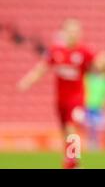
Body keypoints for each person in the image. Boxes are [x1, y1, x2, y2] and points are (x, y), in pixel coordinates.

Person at [18, 18, 96, 169]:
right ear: (64, 33)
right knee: (65, 132)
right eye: (70, 30)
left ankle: (72, 162)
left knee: (72, 128)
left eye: (76, 31)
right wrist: (27, 81)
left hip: (77, 99)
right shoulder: (56, 51)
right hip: (61, 100)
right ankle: (73, 161)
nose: (73, 34)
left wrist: (103, 64)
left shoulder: (85, 52)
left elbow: (98, 65)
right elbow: (41, 68)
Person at [84, 51, 105, 151]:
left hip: (98, 108)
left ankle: (96, 145)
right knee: (90, 128)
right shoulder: (89, 77)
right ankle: (91, 144)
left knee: (98, 128)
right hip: (88, 107)